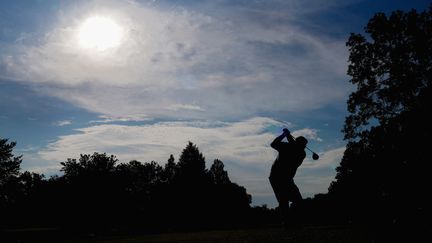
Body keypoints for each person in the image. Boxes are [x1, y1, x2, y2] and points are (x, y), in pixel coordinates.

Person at [269, 128, 308, 228]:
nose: (304, 147)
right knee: (284, 201)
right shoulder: (294, 149)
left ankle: (291, 221)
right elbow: (273, 144)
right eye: (304, 145)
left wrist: (285, 134)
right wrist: (285, 135)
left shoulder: (301, 153)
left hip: (285, 178)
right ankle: (288, 223)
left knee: (297, 201)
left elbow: (291, 146)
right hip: (276, 177)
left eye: (304, 146)